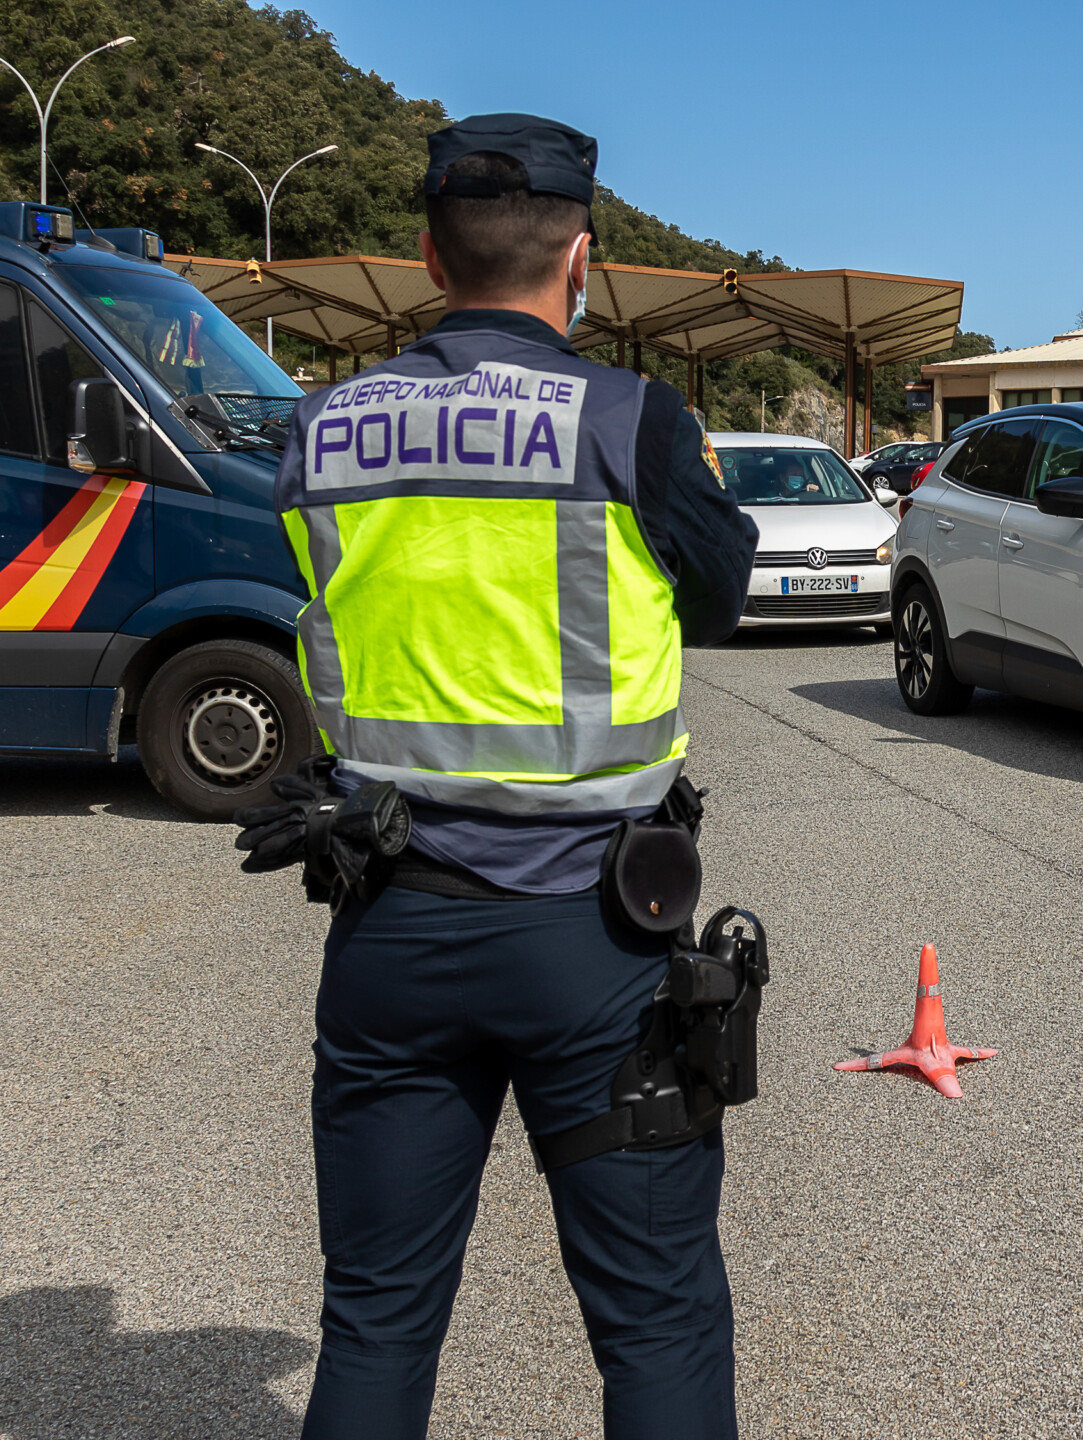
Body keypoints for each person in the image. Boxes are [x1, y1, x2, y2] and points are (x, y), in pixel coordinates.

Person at [262, 113, 757, 1439]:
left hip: (393, 927)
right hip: (595, 942)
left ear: (430, 255)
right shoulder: (633, 423)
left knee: (374, 1322)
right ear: (582, 260)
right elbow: (717, 599)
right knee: (656, 1324)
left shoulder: (322, 435)